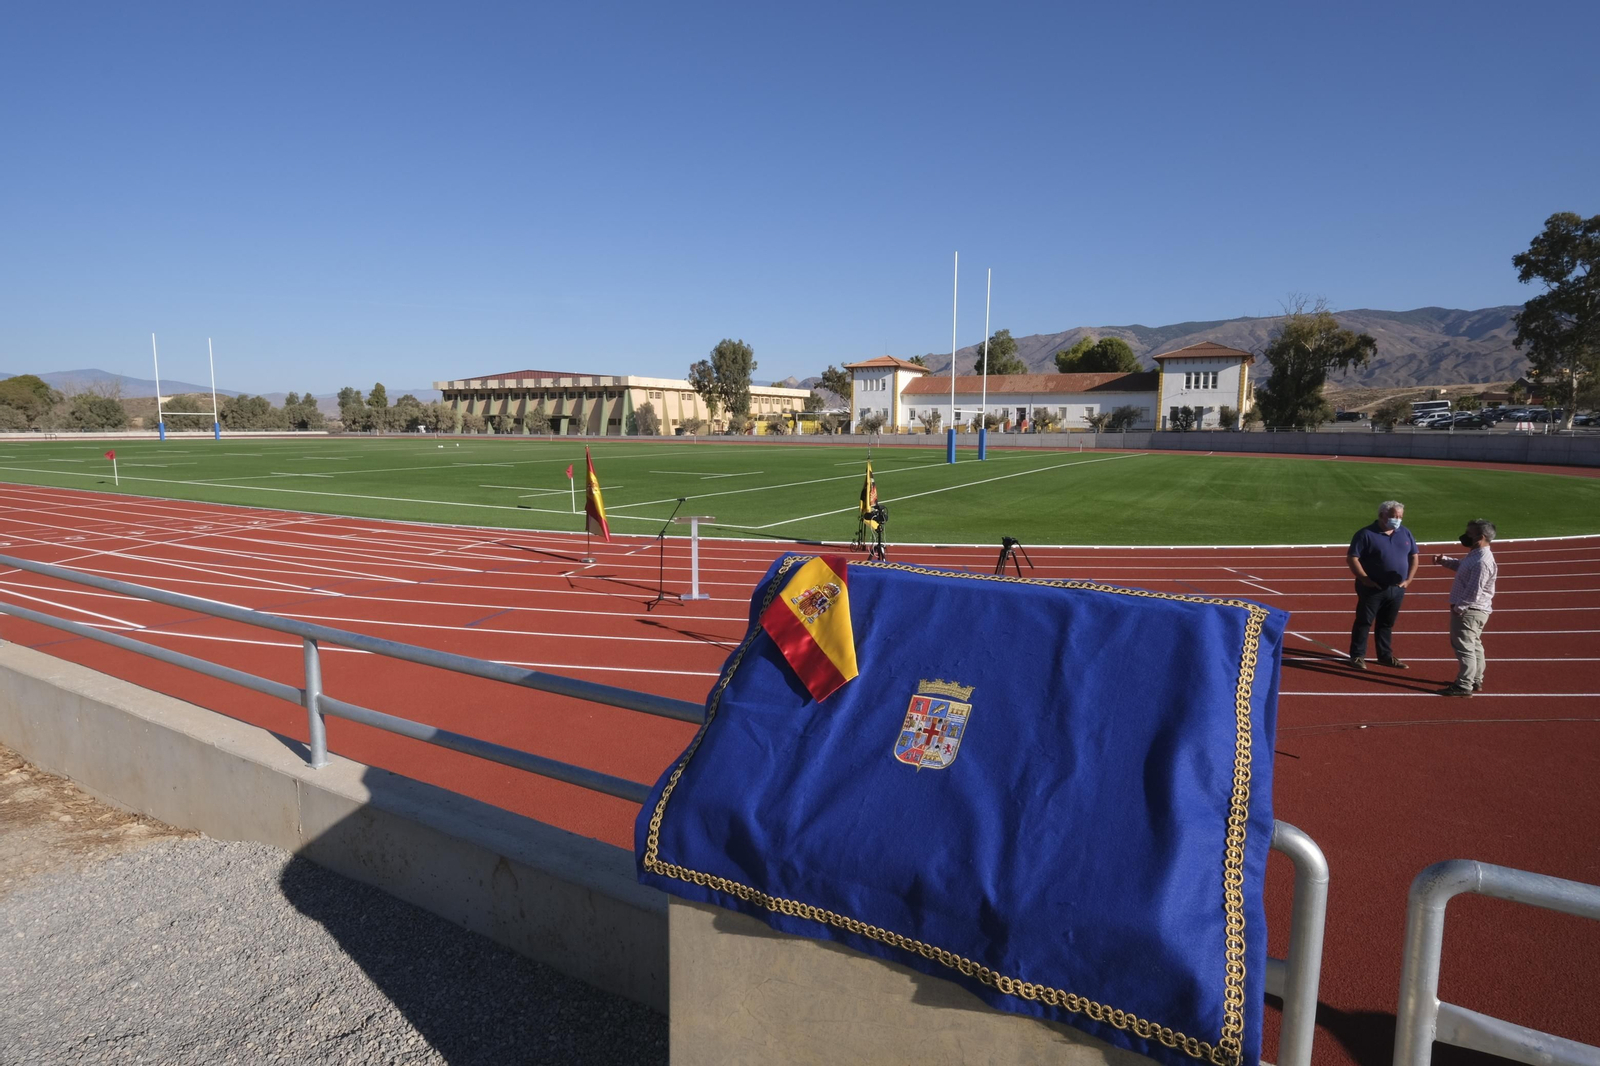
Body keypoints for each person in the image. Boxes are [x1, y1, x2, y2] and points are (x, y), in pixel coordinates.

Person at [1346, 500, 1418, 670]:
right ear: (1381, 515)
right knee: (1364, 621)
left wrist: (1409, 579)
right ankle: (1357, 656)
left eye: (1400, 516)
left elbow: (1414, 556)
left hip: (1397, 588)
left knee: (1386, 623)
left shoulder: (1405, 532)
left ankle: (1384, 656)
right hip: (1373, 588)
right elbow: (1352, 558)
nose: (1397, 519)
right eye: (1394, 516)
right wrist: (1365, 579)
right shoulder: (1365, 534)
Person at [1432, 519, 1499, 697]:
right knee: (1474, 645)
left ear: (1480, 537)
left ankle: (1464, 685)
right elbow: (1463, 567)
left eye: (1469, 534)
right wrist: (1444, 561)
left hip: (1470, 611)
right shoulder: (1476, 554)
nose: (1465, 536)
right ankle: (1475, 679)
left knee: (1464, 647)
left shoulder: (1482, 561)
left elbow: (1474, 591)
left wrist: (1459, 608)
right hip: (1474, 610)